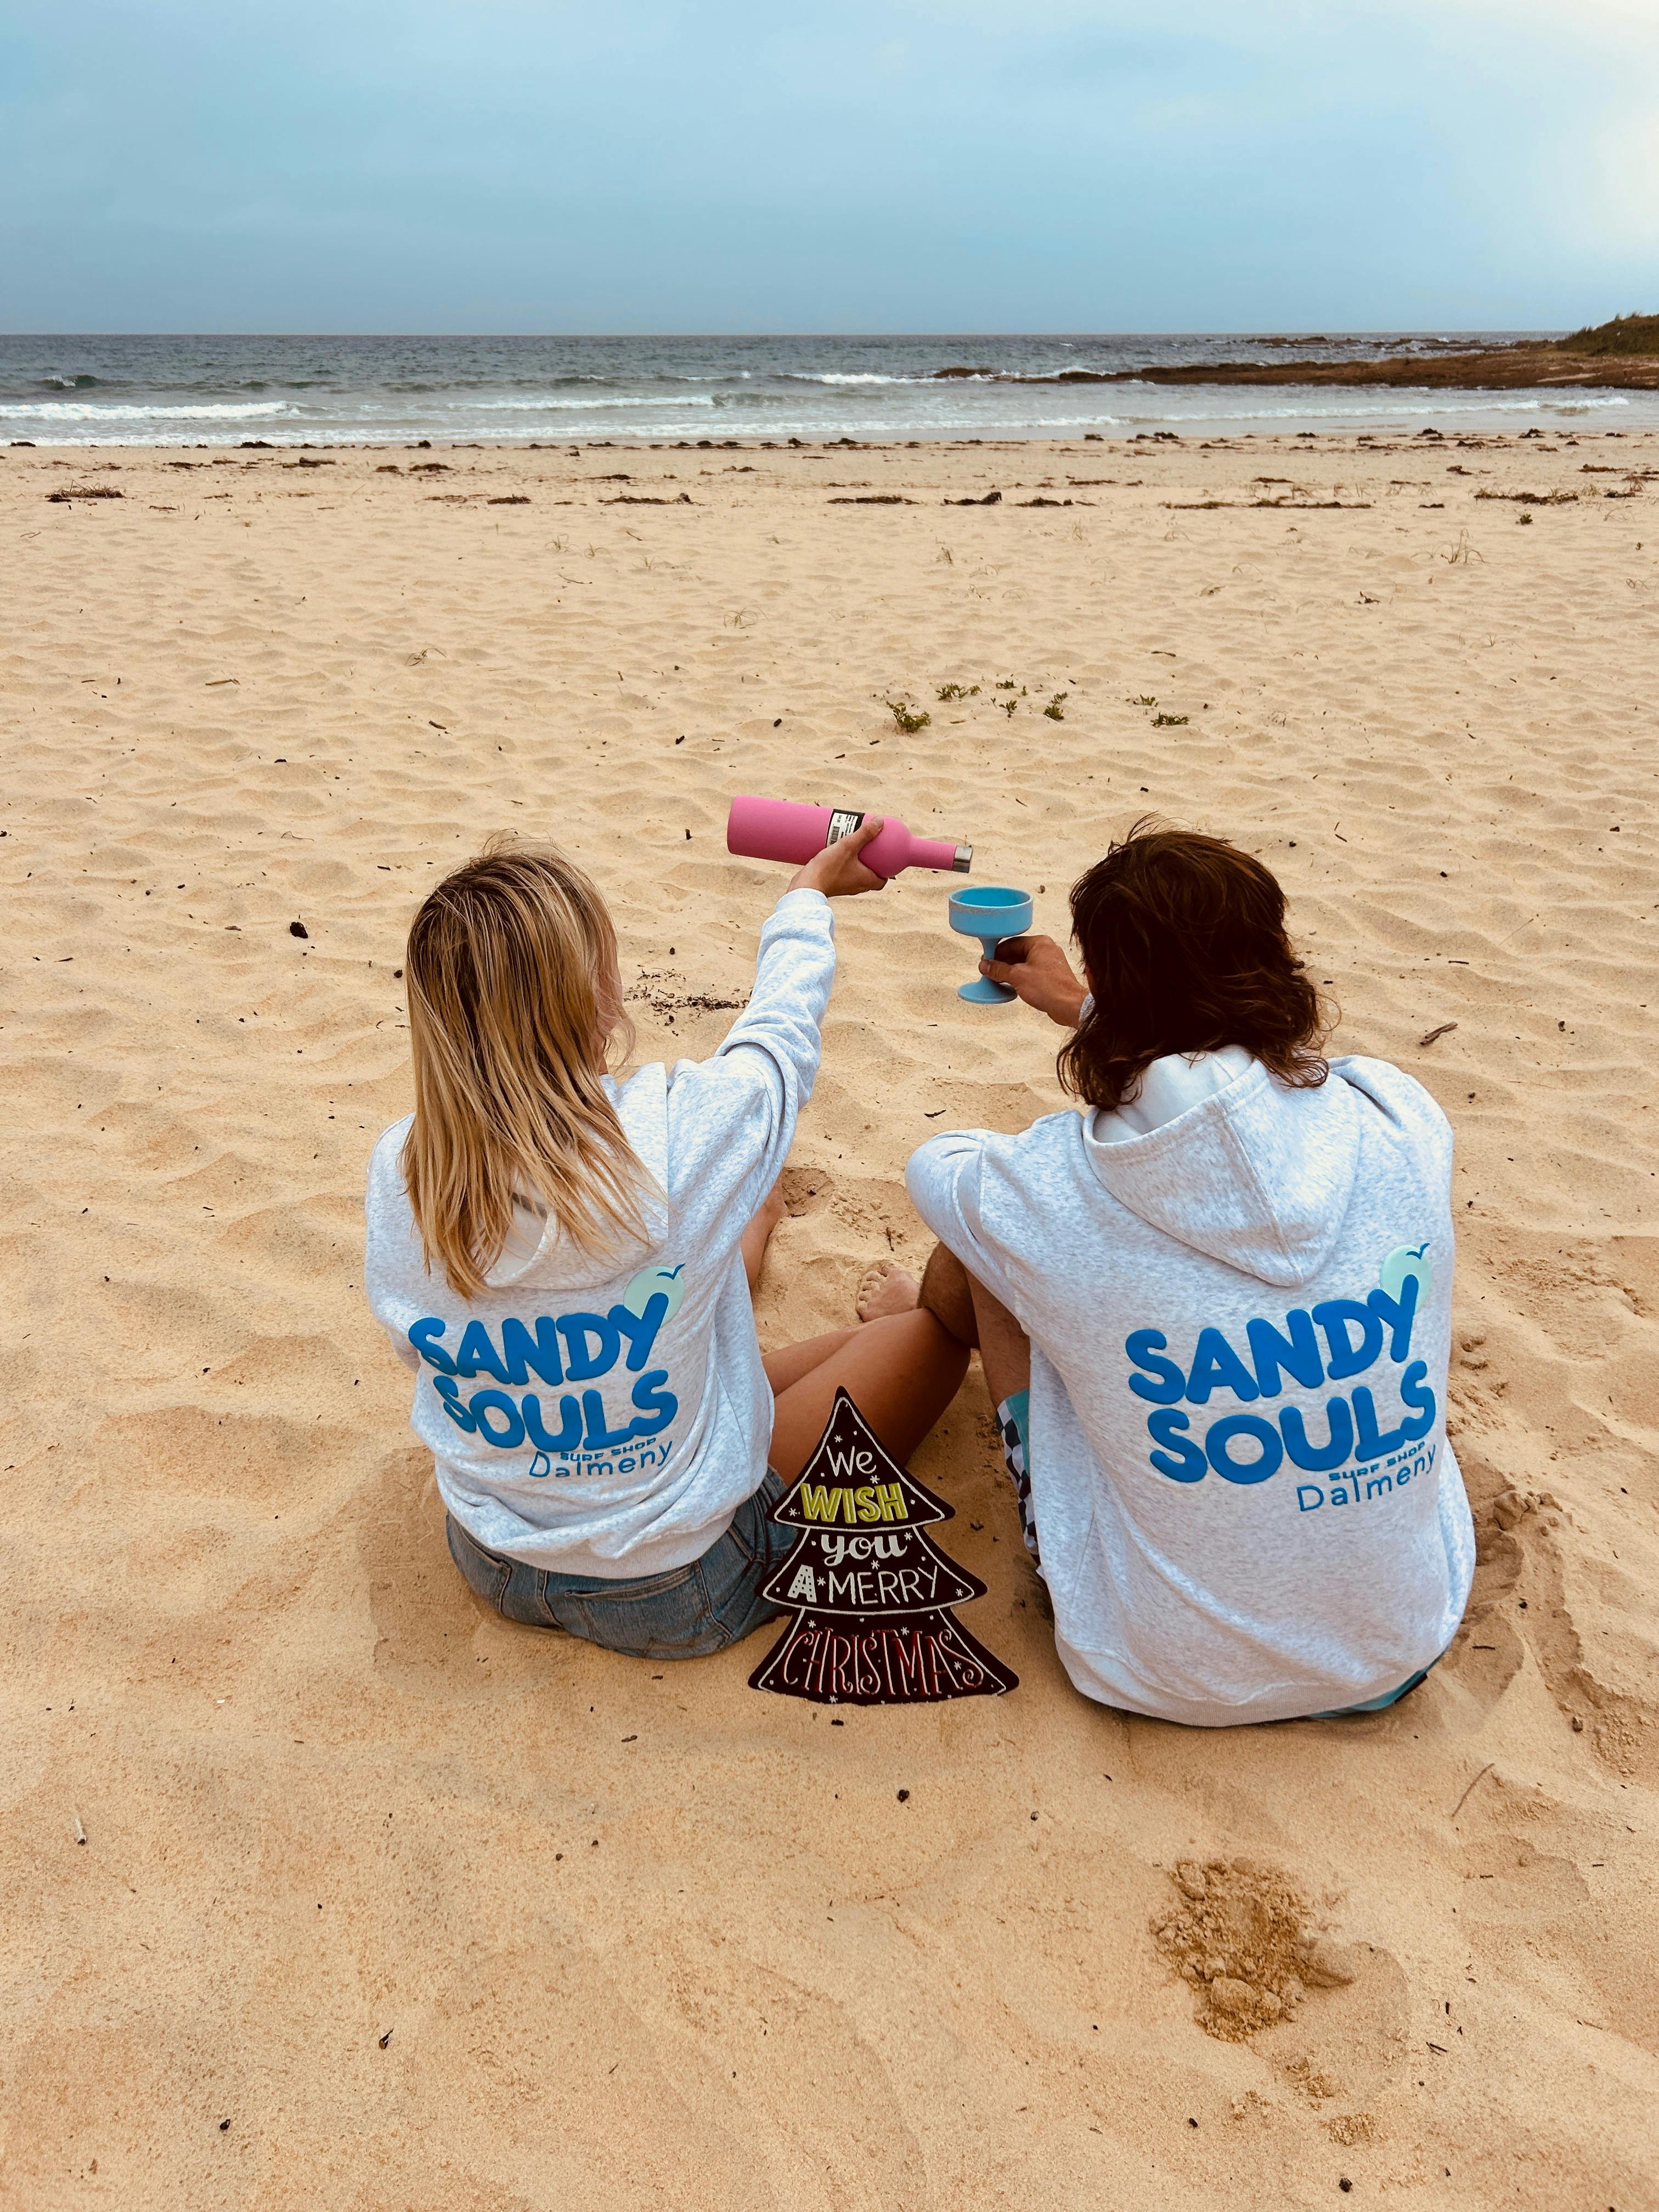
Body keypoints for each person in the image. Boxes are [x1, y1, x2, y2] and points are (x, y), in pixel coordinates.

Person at [864, 820, 1472, 1726]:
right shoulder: (1399, 1116)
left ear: (1118, 986)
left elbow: (938, 1166)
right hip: (1401, 1645)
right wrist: (1096, 1009)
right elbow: (1255, 1101)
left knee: (993, 1251)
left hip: (1162, 1673)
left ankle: (927, 1328)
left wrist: (1103, 1025)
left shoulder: (1052, 1183)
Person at [364, 823, 967, 1661]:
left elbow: (415, 1348)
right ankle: (845, 1304)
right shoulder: (676, 1132)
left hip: (494, 1553)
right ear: (595, 996)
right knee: (926, 1338)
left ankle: (738, 1246)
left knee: (674, 1290)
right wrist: (806, 898)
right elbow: (780, 1037)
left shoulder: (403, 1165)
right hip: (681, 1585)